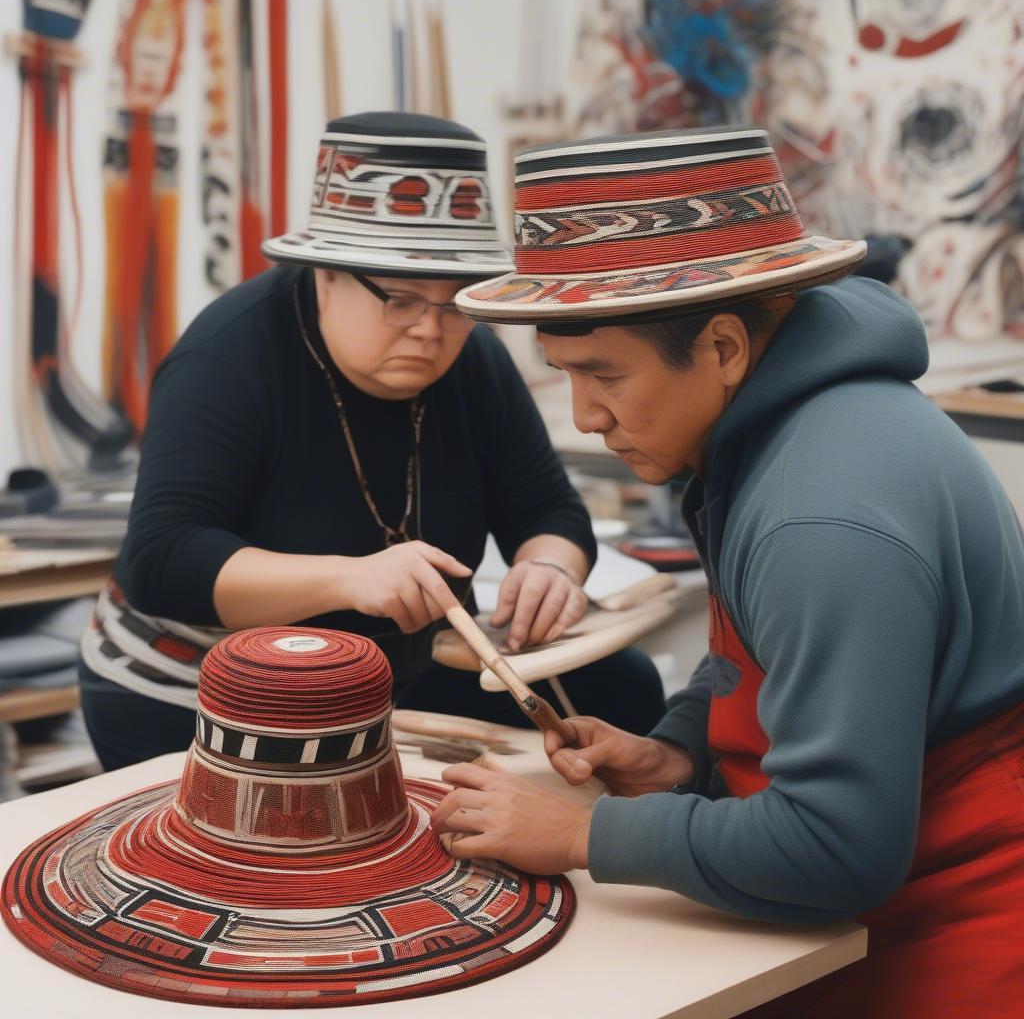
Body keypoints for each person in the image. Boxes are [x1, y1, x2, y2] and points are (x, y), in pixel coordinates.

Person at [433, 125, 1024, 1017]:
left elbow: (836, 847)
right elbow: (751, 658)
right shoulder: (767, 434)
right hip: (870, 900)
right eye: (563, 375)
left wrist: (588, 832)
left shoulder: (820, 513)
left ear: (721, 347)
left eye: (603, 375)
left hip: (958, 918)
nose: (586, 416)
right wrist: (680, 750)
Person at [79, 112, 664, 771]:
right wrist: (351, 580)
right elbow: (165, 560)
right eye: (401, 299)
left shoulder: (471, 357)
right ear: (325, 275)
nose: (430, 331)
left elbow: (546, 507)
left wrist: (551, 568)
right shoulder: (232, 355)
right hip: (200, 688)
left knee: (626, 690)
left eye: (457, 304)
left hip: (390, 673)